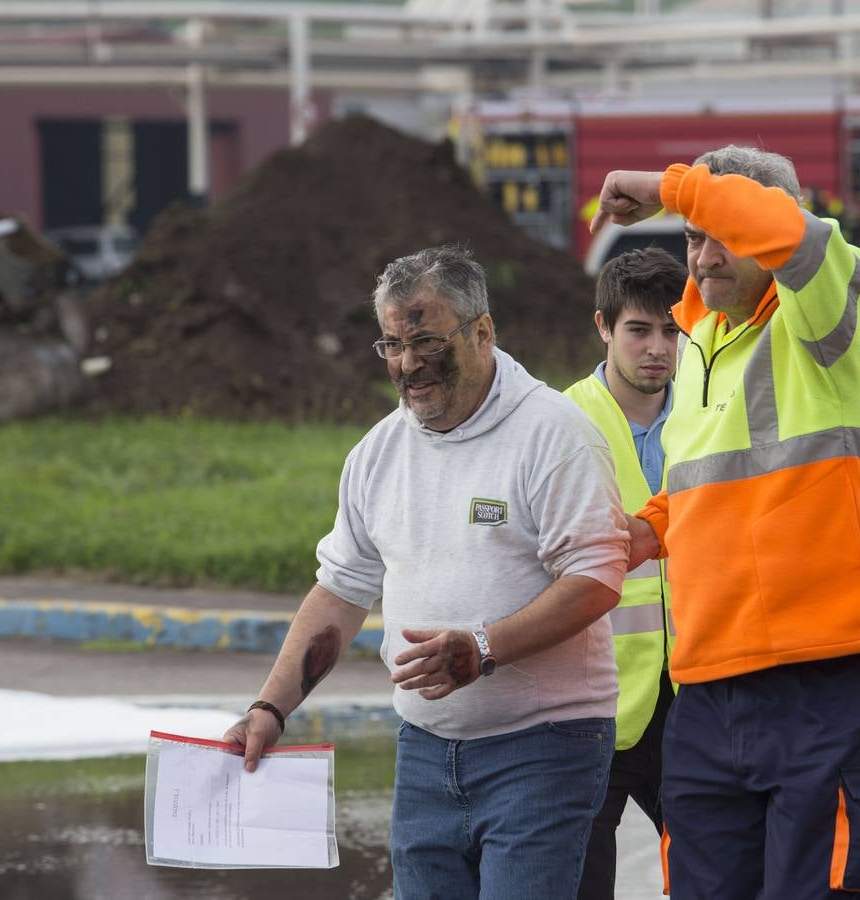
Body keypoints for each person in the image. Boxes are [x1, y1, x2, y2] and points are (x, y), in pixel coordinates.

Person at [223, 244, 630, 900]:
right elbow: (340, 589)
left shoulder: (554, 434)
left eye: (425, 340)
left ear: (482, 331)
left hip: (545, 750)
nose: (407, 364)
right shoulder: (378, 454)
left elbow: (596, 577)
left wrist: (484, 649)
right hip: (425, 753)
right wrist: (271, 707)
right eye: (389, 344)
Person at [590, 146, 860, 899]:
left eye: (716, 231)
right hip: (703, 688)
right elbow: (709, 484)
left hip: (816, 674)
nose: (700, 255)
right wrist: (647, 530)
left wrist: (669, 190)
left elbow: (791, 234)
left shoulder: (835, 311)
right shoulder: (700, 346)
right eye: (692, 238)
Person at [562, 247, 685, 899]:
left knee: (716, 880)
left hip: (694, 703)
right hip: (590, 706)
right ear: (603, 327)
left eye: (672, 330)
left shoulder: (711, 418)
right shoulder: (561, 425)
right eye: (639, 329)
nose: (658, 348)